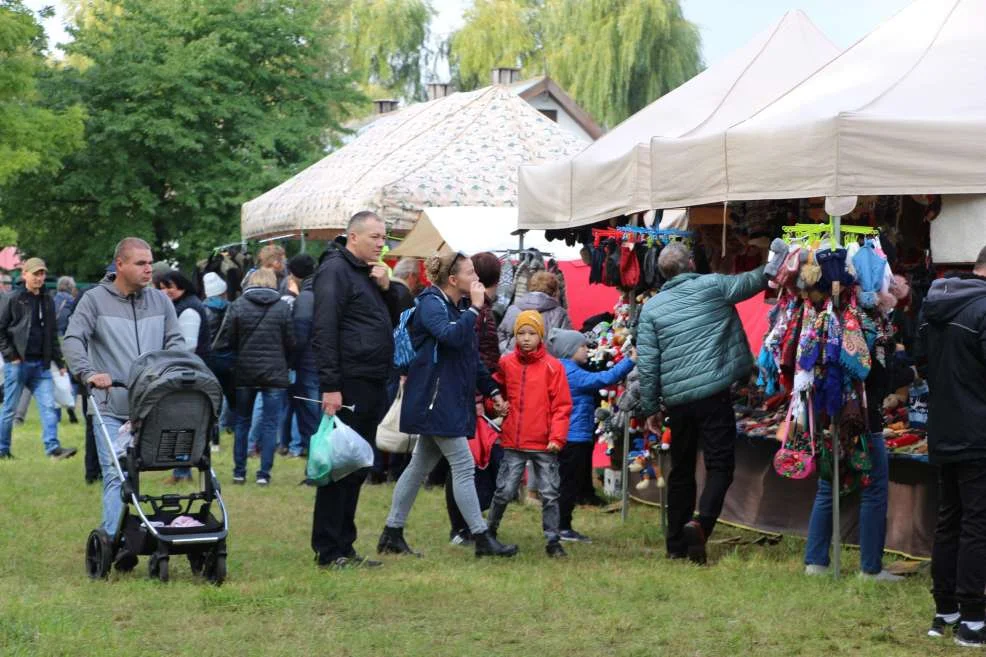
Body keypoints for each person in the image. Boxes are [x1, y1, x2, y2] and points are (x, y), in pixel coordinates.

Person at [377, 251, 517, 560]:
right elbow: (450, 337)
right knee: (464, 466)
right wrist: (476, 309)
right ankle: (481, 537)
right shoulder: (431, 304)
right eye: (470, 273)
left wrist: (491, 389)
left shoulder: (459, 306)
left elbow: (470, 356)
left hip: (445, 399)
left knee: (417, 469)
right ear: (453, 280)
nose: (476, 279)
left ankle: (392, 533)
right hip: (435, 401)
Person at [637, 242, 767, 564]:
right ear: (692, 263)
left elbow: (648, 364)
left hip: (678, 402)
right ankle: (700, 524)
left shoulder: (652, 308)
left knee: (681, 470)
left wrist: (651, 407)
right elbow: (754, 280)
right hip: (714, 395)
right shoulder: (714, 285)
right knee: (719, 465)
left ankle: (675, 545)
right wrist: (782, 255)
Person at [64, 238, 184, 560]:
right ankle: (115, 544)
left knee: (149, 470)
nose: (149, 269)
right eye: (141, 264)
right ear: (120, 265)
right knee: (117, 473)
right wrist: (88, 372)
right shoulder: (93, 301)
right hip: (109, 406)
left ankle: (153, 530)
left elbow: (176, 343)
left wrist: (174, 372)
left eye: (151, 263)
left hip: (151, 406)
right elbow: (74, 339)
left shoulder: (161, 303)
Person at [311, 211, 401, 570]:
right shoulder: (335, 270)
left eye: (384, 237)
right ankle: (329, 548)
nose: (382, 244)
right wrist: (330, 385)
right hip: (349, 381)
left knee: (357, 463)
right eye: (375, 237)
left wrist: (387, 288)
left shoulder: (368, 273)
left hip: (372, 378)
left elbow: (394, 317)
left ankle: (344, 545)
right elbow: (324, 329)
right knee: (340, 465)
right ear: (353, 237)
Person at [918, 246, 986, 646]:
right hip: (977, 432)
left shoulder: (937, 302)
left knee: (951, 520)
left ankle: (946, 608)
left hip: (944, 428)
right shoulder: (981, 309)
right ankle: (973, 619)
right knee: (976, 524)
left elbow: (921, 361)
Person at [485, 310, 573, 558]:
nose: (525, 338)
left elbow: (562, 406)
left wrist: (557, 437)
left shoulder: (552, 367)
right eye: (521, 333)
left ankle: (553, 540)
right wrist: (495, 406)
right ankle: (489, 531)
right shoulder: (506, 364)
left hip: (545, 443)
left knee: (549, 493)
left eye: (531, 333)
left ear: (541, 336)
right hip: (513, 440)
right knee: (504, 490)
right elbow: (495, 393)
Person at [547, 327, 636, 542]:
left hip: (566, 434)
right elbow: (604, 378)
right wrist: (630, 361)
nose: (587, 350)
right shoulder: (572, 373)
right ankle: (562, 527)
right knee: (569, 483)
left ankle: (557, 523)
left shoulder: (559, 368)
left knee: (563, 481)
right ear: (569, 350)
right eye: (583, 346)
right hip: (574, 436)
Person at [445, 252, 502, 545]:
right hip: (468, 393)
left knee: (462, 463)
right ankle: (467, 528)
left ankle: (394, 527)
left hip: (477, 390)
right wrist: (481, 394)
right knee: (466, 463)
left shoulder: (478, 307)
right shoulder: (472, 309)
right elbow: (472, 353)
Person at [0, 258, 77, 460]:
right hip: (18, 364)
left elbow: (51, 334)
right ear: (24, 274)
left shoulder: (47, 300)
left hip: (41, 366)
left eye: (42, 273)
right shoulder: (12, 298)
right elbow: (0, 330)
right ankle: (2, 450)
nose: (40, 278)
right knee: (9, 410)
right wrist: (12, 356)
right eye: (35, 274)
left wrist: (59, 363)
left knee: (49, 407)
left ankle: (53, 449)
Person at [225, 267, 294, 486]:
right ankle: (264, 474)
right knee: (270, 424)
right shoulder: (283, 307)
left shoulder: (237, 305)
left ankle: (239, 471)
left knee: (242, 422)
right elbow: (291, 341)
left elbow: (230, 339)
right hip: (274, 371)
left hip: (245, 371)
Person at [156, 270, 211, 484]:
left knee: (183, 421)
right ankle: (182, 470)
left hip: (189, 373)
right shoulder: (182, 305)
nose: (165, 291)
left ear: (182, 285)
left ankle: (182, 470)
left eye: (169, 286)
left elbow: (188, 346)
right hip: (188, 371)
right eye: (161, 288)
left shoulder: (189, 308)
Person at [285, 254, 319, 458]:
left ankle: (315, 457)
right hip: (324, 360)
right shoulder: (323, 290)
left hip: (309, 363)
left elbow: (300, 335)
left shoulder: (306, 298)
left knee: (310, 413)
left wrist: (291, 362)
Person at [498, 271, 572, 353]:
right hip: (545, 362)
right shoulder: (559, 313)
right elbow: (566, 343)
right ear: (555, 291)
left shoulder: (513, 309)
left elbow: (501, 335)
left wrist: (507, 352)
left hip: (514, 360)